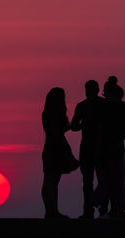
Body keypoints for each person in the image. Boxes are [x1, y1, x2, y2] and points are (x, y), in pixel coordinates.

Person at [93, 76, 125, 219]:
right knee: (117, 179)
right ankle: (109, 206)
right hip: (115, 148)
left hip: (102, 148)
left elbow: (103, 128)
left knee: (109, 179)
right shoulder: (122, 107)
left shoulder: (101, 108)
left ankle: (110, 207)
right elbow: (119, 130)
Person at [71, 80, 109, 219]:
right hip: (99, 147)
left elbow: (74, 126)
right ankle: (102, 211)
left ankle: (89, 211)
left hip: (89, 146)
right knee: (101, 180)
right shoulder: (104, 104)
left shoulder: (82, 106)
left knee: (89, 181)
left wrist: (83, 125)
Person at [42, 87, 79, 219]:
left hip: (50, 148)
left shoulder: (46, 113)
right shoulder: (56, 114)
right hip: (56, 148)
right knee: (52, 181)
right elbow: (57, 132)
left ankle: (51, 211)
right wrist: (71, 126)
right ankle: (52, 212)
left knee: (49, 181)